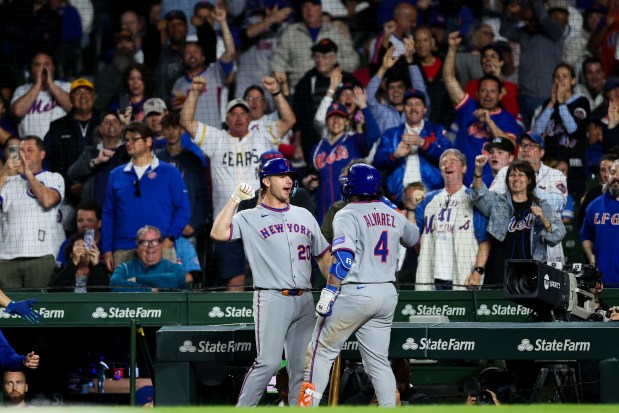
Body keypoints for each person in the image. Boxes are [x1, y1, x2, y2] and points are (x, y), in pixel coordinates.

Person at [210, 158, 330, 406]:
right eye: (283, 176)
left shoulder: (304, 215)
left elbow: (323, 257)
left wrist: (334, 289)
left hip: (306, 299)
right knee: (269, 363)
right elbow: (218, 233)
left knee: (302, 368)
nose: (289, 180)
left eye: (291, 176)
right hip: (272, 297)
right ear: (266, 181)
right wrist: (234, 199)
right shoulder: (249, 217)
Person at [298, 163, 419, 407]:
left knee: (319, 354)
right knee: (378, 362)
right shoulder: (393, 213)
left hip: (355, 293)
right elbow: (414, 236)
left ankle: (305, 408)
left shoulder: (347, 213)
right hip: (385, 294)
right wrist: (391, 207)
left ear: (352, 187)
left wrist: (330, 291)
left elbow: (343, 258)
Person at [181, 75, 295, 290]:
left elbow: (289, 121)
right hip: (228, 222)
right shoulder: (216, 138)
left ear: (250, 117)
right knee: (235, 280)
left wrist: (277, 93)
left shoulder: (263, 135)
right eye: (234, 114)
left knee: (272, 277)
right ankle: (237, 322)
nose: (239, 117)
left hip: (263, 220)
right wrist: (194, 92)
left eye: (243, 113)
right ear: (227, 118)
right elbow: (185, 121)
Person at [101, 122, 190, 272]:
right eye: (126, 140)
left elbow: (183, 210)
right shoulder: (115, 175)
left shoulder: (170, 173)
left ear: (148, 141)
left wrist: (169, 239)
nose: (129, 143)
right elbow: (108, 215)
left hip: (160, 249)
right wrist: (107, 250)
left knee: (164, 295)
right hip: (124, 250)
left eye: (134, 139)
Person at [472, 156, 566, 287]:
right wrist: (478, 171)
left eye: (521, 175)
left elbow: (558, 234)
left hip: (531, 273)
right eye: (512, 175)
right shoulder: (498, 202)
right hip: (499, 271)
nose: (516, 178)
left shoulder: (542, 205)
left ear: (529, 180)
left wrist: (544, 220)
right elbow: (479, 195)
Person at [443, 31, 522, 186]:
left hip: (494, 189)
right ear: (477, 93)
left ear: (500, 95)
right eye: (484, 91)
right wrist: (452, 48)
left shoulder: (507, 119)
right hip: (463, 187)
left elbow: (511, 146)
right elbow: (449, 79)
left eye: (492, 91)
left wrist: (489, 123)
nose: (487, 95)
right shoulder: (468, 108)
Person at [415, 149, 489, 290]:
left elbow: (484, 242)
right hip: (431, 276)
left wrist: (477, 271)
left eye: (453, 162)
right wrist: (412, 206)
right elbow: (412, 235)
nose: (448, 165)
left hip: (464, 276)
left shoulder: (474, 199)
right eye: (444, 163)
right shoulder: (428, 200)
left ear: (464, 168)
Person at [0, 137, 65, 289]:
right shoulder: (8, 182)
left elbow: (47, 200)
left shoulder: (53, 177)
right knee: (9, 309)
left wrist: (27, 174)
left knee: (37, 306)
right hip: (6, 258)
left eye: (30, 150)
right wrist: (4, 174)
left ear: (42, 154)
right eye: (21, 150)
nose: (24, 155)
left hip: (40, 256)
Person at [311, 87, 381, 223]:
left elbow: (374, 134)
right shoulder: (318, 148)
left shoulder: (354, 140)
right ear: (326, 122)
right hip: (323, 211)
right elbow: (311, 173)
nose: (336, 121)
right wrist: (308, 181)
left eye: (340, 117)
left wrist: (364, 107)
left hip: (351, 211)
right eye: (332, 117)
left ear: (347, 121)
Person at [374, 88, 452, 203]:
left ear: (425, 109)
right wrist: (394, 155)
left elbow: (449, 159)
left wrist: (424, 144)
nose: (413, 108)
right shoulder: (391, 134)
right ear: (404, 108)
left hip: (432, 196)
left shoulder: (437, 130)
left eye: (418, 104)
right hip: (399, 198)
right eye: (409, 104)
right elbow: (377, 163)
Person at [271, 0, 359, 93]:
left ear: (321, 8)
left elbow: (353, 63)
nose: (309, 10)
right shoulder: (290, 32)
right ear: (301, 9)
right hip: (299, 94)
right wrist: (285, 92)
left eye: (314, 5)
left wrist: (331, 63)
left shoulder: (336, 31)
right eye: (305, 5)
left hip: (334, 92)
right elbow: (277, 64)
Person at [532, 63, 590, 199]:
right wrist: (552, 104)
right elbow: (536, 133)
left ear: (573, 80)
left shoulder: (581, 101)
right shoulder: (548, 104)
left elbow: (573, 129)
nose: (561, 80)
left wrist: (561, 104)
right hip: (549, 165)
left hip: (573, 168)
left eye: (565, 76)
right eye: (557, 77)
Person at [67, 112, 129, 206]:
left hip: (121, 207)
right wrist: (94, 162)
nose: (111, 124)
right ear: (100, 129)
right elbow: (72, 173)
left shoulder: (128, 152)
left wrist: (127, 125)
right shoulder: (89, 152)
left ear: (121, 128)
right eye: (107, 121)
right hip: (95, 210)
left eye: (115, 121)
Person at [10, 52, 72, 139]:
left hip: (60, 145)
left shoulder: (66, 86)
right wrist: (37, 84)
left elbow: (74, 107)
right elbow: (17, 112)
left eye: (47, 64)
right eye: (37, 65)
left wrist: (50, 83)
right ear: (31, 69)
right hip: (30, 147)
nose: (43, 68)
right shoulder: (21, 90)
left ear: (53, 67)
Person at [110, 225, 187, 292]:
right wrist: (149, 291)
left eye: (155, 241)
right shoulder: (124, 268)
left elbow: (179, 280)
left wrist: (137, 280)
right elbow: (115, 285)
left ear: (161, 246)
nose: (150, 246)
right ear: (137, 247)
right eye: (145, 242)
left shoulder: (173, 267)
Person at [581, 159, 619, 286]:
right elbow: (586, 235)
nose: (615, 177)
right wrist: (590, 255)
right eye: (613, 173)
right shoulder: (595, 205)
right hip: (601, 280)